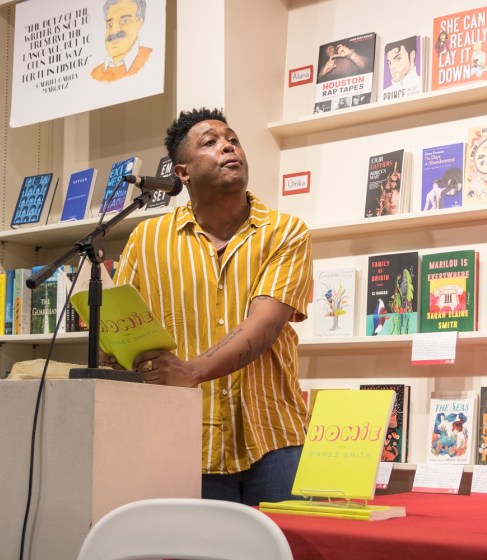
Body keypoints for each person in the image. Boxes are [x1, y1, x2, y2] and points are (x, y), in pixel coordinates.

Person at [102, 108, 313, 506]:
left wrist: (191, 371)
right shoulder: (147, 239)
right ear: (182, 173)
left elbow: (265, 324)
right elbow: (122, 326)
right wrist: (115, 352)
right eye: (211, 143)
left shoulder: (286, 232)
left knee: (285, 541)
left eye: (233, 140)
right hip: (182, 440)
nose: (228, 147)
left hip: (274, 439)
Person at [90, 0, 152, 82]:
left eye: (124, 21)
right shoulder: (95, 74)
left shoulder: (151, 58)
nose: (114, 31)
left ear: (140, 23)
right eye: (110, 24)